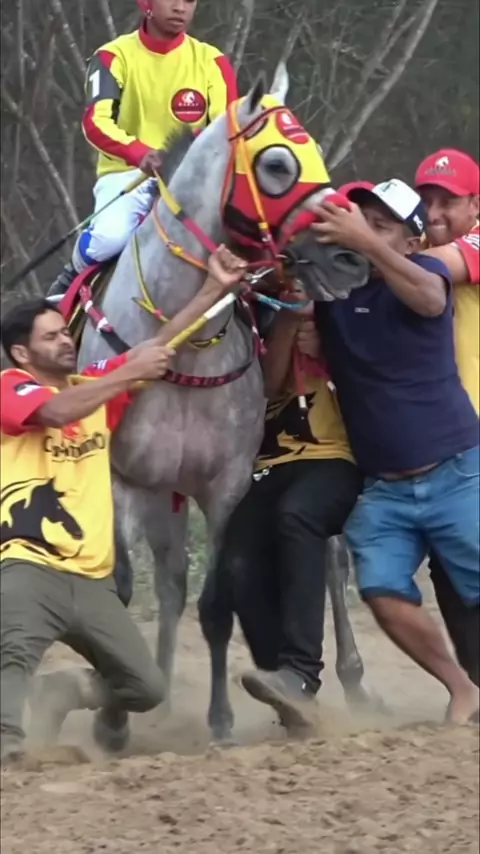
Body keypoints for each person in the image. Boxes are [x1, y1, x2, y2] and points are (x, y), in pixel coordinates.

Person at [0, 245, 247, 765]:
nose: (66, 341)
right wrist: (126, 374)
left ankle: (64, 690)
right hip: (27, 564)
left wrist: (213, 288)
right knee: (13, 656)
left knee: (145, 689)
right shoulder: (9, 388)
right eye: (51, 337)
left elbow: (158, 346)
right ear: (21, 353)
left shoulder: (94, 391)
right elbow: (55, 411)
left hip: (92, 577)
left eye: (65, 333)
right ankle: (8, 745)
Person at [309, 178, 479, 724]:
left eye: (379, 226)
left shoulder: (426, 273)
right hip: (385, 488)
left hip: (458, 471)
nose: (361, 232)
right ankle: (462, 688)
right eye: (359, 220)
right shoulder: (333, 294)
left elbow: (430, 300)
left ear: (411, 241)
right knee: (381, 589)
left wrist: (364, 242)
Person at [202, 281, 362, 730]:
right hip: (271, 466)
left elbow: (373, 375)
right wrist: (289, 322)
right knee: (235, 562)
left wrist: (325, 343)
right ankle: (289, 689)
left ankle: (301, 673)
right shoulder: (266, 327)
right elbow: (269, 387)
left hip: (335, 459)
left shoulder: (343, 323)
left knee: (297, 515)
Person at [47, 0, 238, 298]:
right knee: (109, 240)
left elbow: (227, 131)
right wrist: (140, 153)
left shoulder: (213, 61)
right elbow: (96, 123)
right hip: (129, 175)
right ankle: (70, 279)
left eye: (189, 0)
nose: (180, 7)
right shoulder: (112, 56)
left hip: (195, 183)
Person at [415, 149, 479, 687]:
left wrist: (369, 249)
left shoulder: (468, 246)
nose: (434, 213)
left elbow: (438, 269)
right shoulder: (411, 253)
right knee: (450, 563)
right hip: (448, 437)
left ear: (475, 205)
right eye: (426, 200)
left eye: (448, 201)